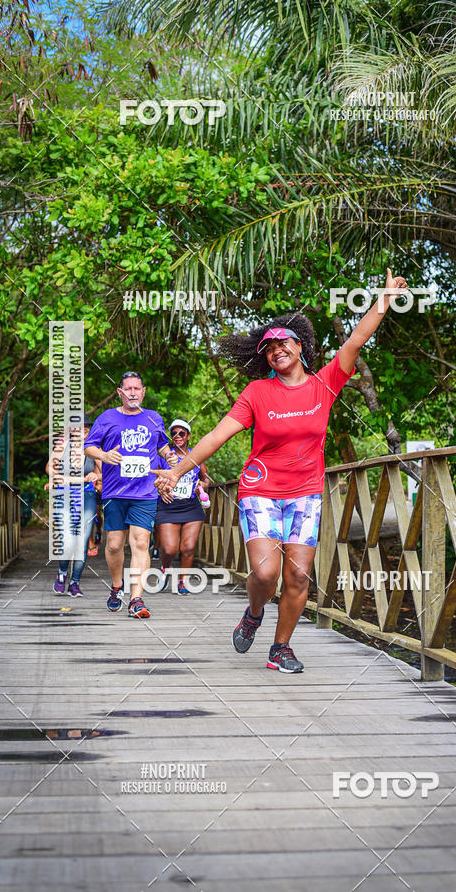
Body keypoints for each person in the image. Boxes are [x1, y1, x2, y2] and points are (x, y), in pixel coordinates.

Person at [154, 268, 407, 671]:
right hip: (260, 491)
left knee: (298, 577)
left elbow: (356, 339)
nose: (276, 351)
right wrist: (178, 470)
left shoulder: (325, 383)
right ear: (266, 358)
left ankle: (281, 648)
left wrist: (385, 299)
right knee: (267, 572)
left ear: (301, 346)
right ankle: (254, 613)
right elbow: (218, 435)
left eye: (283, 343)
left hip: (306, 493)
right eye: (269, 348)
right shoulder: (258, 392)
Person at [84, 371, 177, 618]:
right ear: (120, 392)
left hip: (144, 492)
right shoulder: (107, 418)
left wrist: (169, 457)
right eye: (128, 389)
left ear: (143, 391)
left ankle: (136, 599)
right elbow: (88, 446)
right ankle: (117, 587)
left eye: (137, 388)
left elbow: (163, 446)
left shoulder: (154, 418)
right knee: (114, 545)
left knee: (140, 542)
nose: (133, 393)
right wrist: (103, 456)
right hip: (115, 491)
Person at [46, 416, 101, 597]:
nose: (83, 429)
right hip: (64, 493)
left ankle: (75, 582)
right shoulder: (63, 445)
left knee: (82, 540)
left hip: (87, 495)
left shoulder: (94, 448)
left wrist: (96, 476)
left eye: (86, 427)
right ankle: (62, 574)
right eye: (79, 427)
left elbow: (102, 472)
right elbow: (50, 468)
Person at [155, 418, 211, 594]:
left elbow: (206, 478)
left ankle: (183, 582)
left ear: (188, 436)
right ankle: (165, 568)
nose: (177, 436)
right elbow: (153, 479)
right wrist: (160, 488)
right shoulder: (165, 456)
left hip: (191, 506)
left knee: (188, 547)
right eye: (174, 433)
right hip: (168, 505)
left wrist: (202, 486)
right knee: (169, 549)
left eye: (181, 433)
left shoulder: (196, 456)